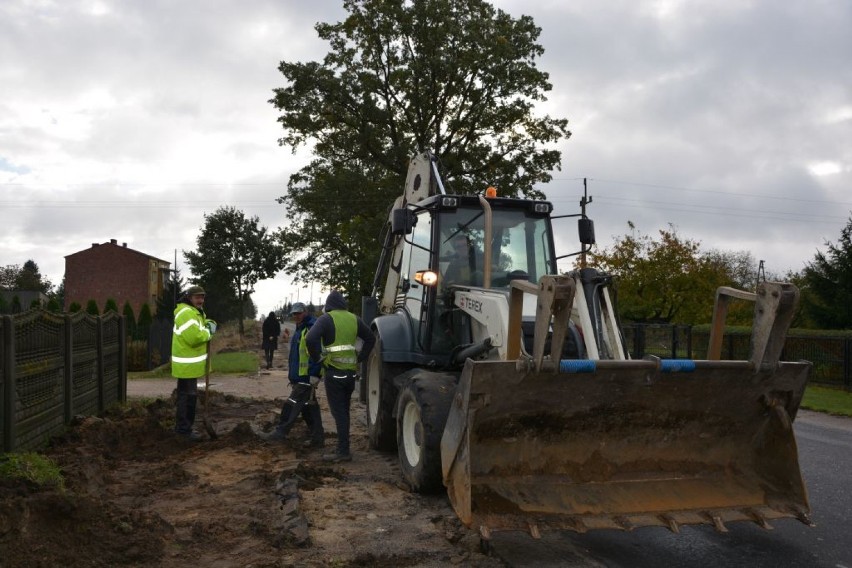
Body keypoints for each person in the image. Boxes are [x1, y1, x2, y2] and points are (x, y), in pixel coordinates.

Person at [305, 290, 375, 463]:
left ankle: (343, 451)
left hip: (334, 373)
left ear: (328, 306)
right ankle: (344, 446)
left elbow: (310, 338)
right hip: (350, 374)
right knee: (344, 411)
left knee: (340, 413)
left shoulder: (326, 319)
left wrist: (318, 359)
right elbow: (371, 338)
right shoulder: (354, 318)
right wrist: (361, 358)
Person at [260, 302, 325, 447]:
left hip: (306, 377)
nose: (296, 316)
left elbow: (317, 353)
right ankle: (317, 438)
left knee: (292, 404)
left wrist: (314, 374)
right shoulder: (300, 329)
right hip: (300, 376)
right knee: (309, 407)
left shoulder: (310, 328)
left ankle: (280, 432)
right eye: (294, 314)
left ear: (305, 312)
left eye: (298, 313)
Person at [171, 285, 216, 441]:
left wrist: (209, 323)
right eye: (197, 297)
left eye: (202, 297)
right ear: (189, 298)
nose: (201, 300)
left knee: (189, 397)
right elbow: (195, 337)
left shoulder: (194, 313)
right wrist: (209, 332)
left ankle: (184, 429)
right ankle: (183, 431)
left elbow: (200, 325)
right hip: (186, 366)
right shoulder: (186, 313)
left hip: (189, 366)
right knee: (187, 398)